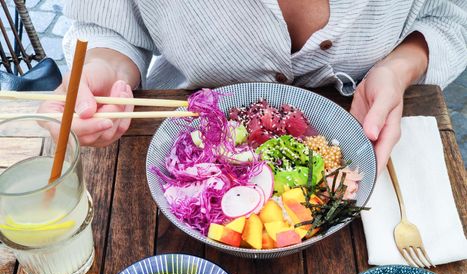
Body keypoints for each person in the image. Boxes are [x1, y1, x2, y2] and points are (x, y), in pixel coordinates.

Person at [39, 0, 467, 173]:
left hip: (374, 152)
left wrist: (398, 67)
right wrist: (102, 72)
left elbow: (452, 15)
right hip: (174, 151)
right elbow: (108, 29)